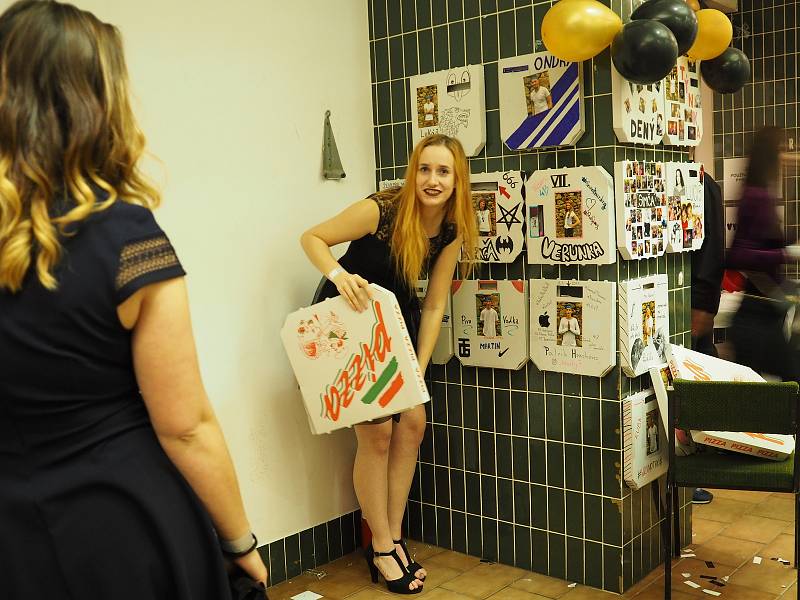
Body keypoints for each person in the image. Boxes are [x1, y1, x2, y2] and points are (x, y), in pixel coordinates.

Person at [0, 2, 268, 599]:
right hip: (122, 528)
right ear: (101, 100)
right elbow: (186, 427)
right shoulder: (127, 238)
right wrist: (240, 542)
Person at [300, 134, 477, 594]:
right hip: (350, 323)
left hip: (395, 325)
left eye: (443, 172)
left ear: (457, 180)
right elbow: (313, 238)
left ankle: (393, 536)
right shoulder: (381, 210)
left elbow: (436, 305)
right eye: (425, 169)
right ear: (413, 171)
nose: (432, 180)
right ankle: (379, 547)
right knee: (376, 433)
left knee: (412, 422)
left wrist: (417, 370)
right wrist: (339, 276)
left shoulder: (453, 229)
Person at [728, 126, 800, 384]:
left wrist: (787, 244)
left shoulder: (758, 193)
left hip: (758, 316)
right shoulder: (756, 196)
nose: (785, 155)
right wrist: (786, 253)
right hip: (757, 319)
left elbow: (761, 243)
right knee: (791, 382)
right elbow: (739, 255)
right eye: (781, 149)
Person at [689, 172, 724, 505]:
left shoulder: (703, 184)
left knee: (694, 385)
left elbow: (713, 249)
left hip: (694, 303)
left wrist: (702, 304)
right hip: (687, 299)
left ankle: (696, 473)